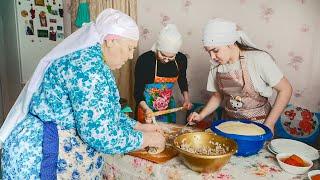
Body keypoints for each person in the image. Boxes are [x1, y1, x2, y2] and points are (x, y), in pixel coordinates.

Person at [0, 9, 165, 179]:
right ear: (111, 41)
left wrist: (138, 126)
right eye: (130, 48)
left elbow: (105, 112)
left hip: (43, 144)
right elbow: (100, 134)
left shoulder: (92, 60)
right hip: (41, 154)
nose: (131, 56)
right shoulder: (87, 68)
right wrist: (148, 139)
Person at [188, 18, 292, 133]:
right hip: (228, 126)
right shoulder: (216, 66)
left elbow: (285, 89)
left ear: (231, 43)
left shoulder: (258, 59)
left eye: (215, 50)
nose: (212, 57)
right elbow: (218, 96)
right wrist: (201, 116)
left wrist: (269, 124)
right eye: (209, 52)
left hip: (259, 126)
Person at [134, 24, 192, 123]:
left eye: (171, 57)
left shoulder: (181, 59)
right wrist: (146, 109)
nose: (166, 60)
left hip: (168, 107)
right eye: (163, 55)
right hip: (145, 107)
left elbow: (182, 79)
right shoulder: (145, 60)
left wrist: (186, 99)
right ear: (157, 48)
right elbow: (137, 91)